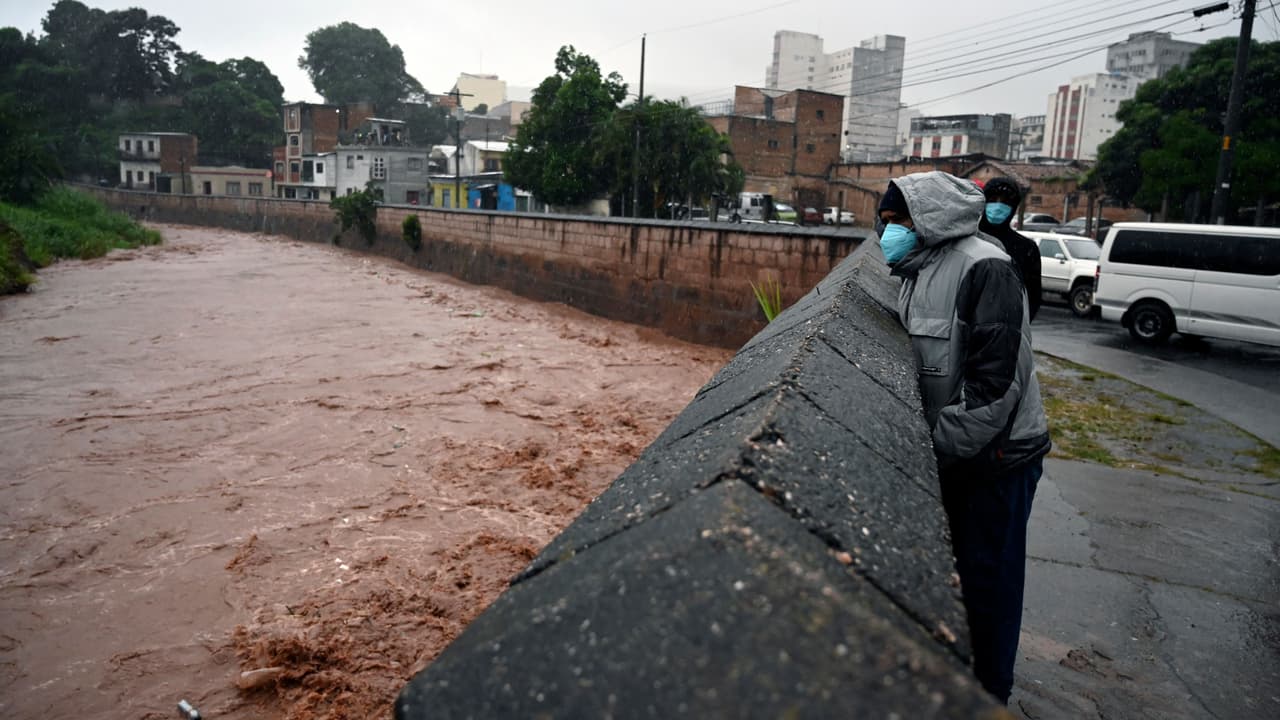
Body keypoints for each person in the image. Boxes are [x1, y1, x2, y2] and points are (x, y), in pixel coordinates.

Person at [876, 171, 1052, 704]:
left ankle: (989, 696)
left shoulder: (985, 267)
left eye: (897, 221)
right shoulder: (918, 267)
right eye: (884, 222)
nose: (888, 233)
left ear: (926, 220)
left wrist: (935, 449)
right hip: (962, 453)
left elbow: (995, 388)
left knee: (989, 586)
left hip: (999, 458)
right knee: (960, 583)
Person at [978, 177, 1042, 321]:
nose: (998, 206)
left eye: (1005, 202)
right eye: (993, 199)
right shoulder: (968, 239)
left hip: (1006, 325)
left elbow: (1032, 295)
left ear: (1014, 207)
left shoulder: (1026, 248)